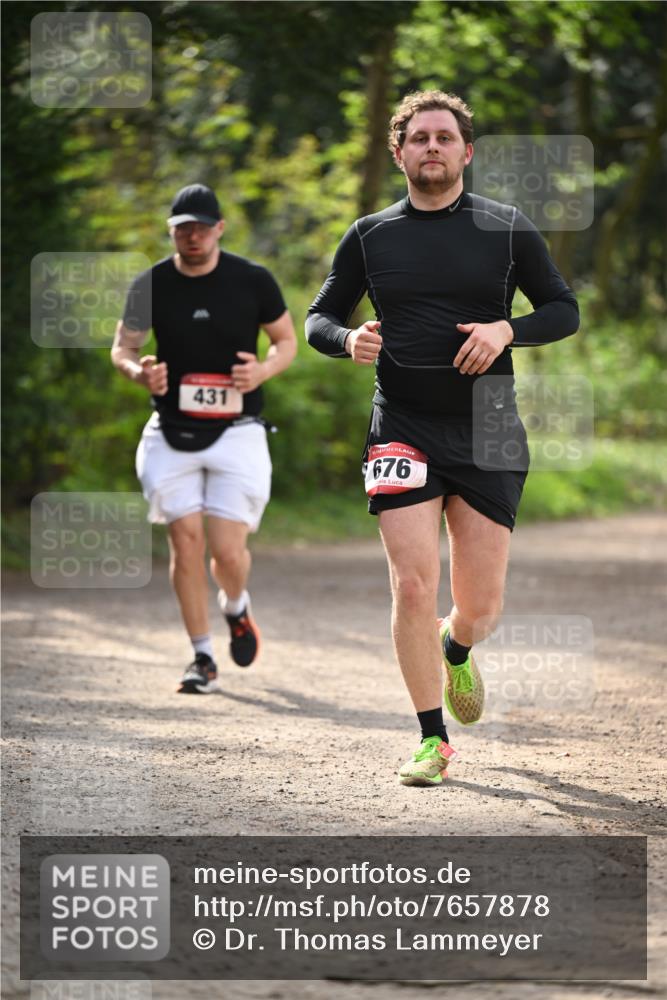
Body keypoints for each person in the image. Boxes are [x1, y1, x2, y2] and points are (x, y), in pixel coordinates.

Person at [306, 92, 579, 785]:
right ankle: (432, 740)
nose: (432, 146)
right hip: (400, 422)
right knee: (411, 583)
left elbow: (563, 309)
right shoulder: (369, 235)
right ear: (399, 153)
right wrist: (347, 338)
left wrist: (506, 329)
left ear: (466, 152)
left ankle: (455, 647)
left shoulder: (506, 227)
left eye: (444, 137)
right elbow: (318, 317)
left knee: (480, 607)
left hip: (488, 425)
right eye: (420, 137)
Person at [112, 183, 297, 693]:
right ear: (171, 231)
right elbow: (123, 348)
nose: (192, 236)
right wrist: (139, 373)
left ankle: (235, 606)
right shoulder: (150, 284)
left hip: (238, 431)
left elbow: (285, 342)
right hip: (171, 431)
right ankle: (202, 656)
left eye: (200, 227)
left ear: (219, 229)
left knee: (228, 554)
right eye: (182, 228)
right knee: (185, 540)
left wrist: (262, 372)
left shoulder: (253, 279)